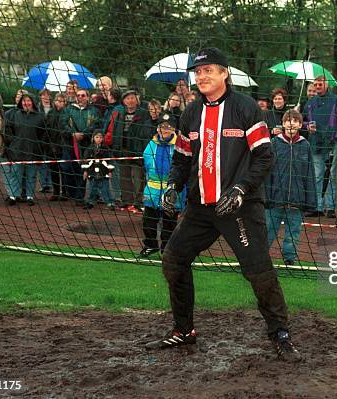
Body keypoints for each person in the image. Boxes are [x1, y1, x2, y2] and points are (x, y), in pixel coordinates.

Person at [149, 47, 300, 361]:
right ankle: (183, 330)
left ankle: (281, 336)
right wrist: (173, 186)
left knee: (258, 271)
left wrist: (241, 189)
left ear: (224, 74)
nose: (202, 76)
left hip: (239, 207)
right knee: (173, 260)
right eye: (198, 72)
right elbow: (182, 158)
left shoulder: (245, 108)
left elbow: (264, 156)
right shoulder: (190, 113)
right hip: (200, 208)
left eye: (209, 70)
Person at [265, 109, 316, 266]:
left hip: (297, 199)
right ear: (283, 123)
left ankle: (290, 258)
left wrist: (310, 201)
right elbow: (267, 173)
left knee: (293, 232)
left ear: (301, 125)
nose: (291, 123)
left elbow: (310, 174)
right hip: (275, 198)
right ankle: (260, 256)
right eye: (288, 120)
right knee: (268, 230)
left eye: (295, 120)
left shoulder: (305, 145)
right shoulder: (274, 143)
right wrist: (266, 196)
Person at [139, 112, 184, 257]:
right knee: (148, 220)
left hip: (171, 191)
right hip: (152, 191)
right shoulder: (151, 144)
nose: (164, 130)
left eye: (168, 127)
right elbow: (146, 165)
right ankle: (150, 245)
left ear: (174, 129)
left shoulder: (180, 145)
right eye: (162, 127)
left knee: (169, 223)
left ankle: (167, 249)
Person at [303, 75, 337, 218]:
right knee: (317, 175)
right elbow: (302, 122)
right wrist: (307, 127)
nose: (317, 87)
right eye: (315, 84)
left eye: (320, 84)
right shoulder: (310, 103)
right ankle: (317, 206)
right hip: (315, 143)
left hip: (331, 144)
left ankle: (330, 206)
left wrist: (335, 137)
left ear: (326, 85)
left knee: (331, 175)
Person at [103, 89, 149, 210]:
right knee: (124, 176)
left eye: (132, 98)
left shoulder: (143, 113)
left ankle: (138, 201)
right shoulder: (120, 113)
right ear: (124, 101)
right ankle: (127, 200)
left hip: (137, 149)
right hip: (122, 149)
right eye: (127, 98)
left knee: (139, 176)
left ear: (137, 100)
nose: (130, 101)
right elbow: (116, 130)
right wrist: (116, 147)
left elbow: (145, 132)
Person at [3, 92, 46, 206]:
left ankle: (29, 196)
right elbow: (8, 130)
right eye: (24, 101)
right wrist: (13, 142)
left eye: (28, 101)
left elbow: (44, 134)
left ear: (32, 102)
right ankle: (13, 196)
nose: (26, 103)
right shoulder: (15, 114)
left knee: (31, 175)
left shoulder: (40, 116)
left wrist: (39, 146)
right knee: (15, 174)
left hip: (33, 150)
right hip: (17, 150)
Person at [60, 88, 101, 204]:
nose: (80, 97)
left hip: (86, 144)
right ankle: (71, 193)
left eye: (83, 95)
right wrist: (73, 133)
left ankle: (79, 196)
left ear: (87, 97)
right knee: (68, 168)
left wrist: (84, 134)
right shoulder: (68, 109)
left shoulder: (93, 111)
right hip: (70, 144)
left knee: (83, 169)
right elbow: (63, 123)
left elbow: (96, 124)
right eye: (78, 95)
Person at [81, 130, 115, 210]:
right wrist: (85, 171)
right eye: (97, 137)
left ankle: (110, 203)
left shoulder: (106, 149)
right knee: (92, 189)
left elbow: (109, 161)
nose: (99, 139)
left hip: (103, 173)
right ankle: (90, 202)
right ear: (93, 138)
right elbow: (85, 160)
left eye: (100, 137)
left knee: (105, 189)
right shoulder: (89, 149)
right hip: (92, 173)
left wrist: (110, 171)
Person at [45, 93, 69, 201]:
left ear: (65, 103)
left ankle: (64, 192)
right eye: (57, 101)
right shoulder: (50, 113)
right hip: (52, 146)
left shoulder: (67, 113)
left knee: (64, 170)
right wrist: (50, 145)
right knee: (54, 170)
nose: (59, 103)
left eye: (61, 101)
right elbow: (47, 130)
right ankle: (56, 191)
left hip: (64, 146)